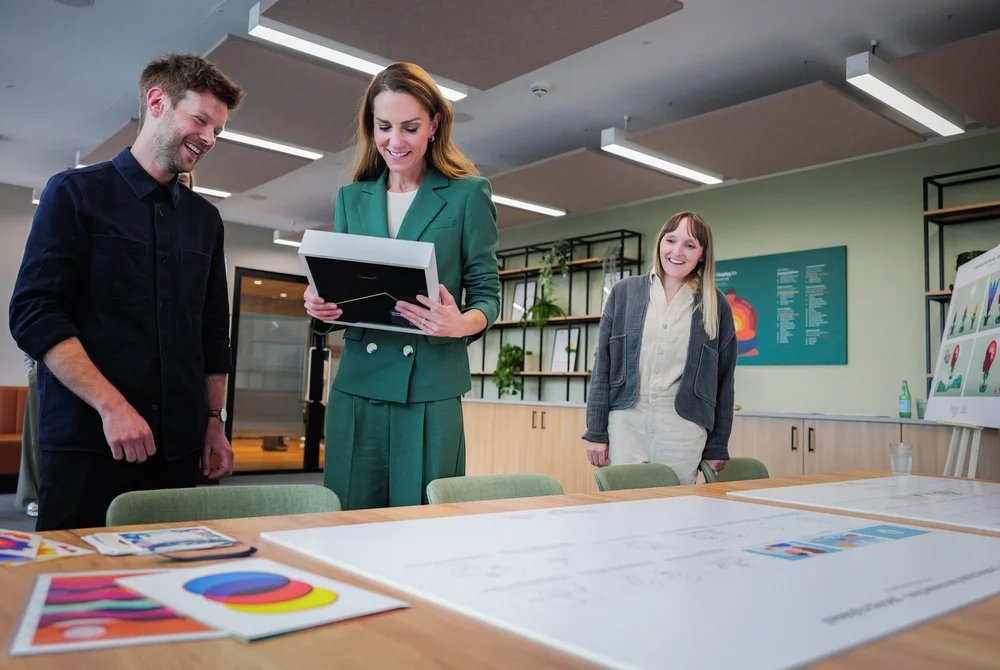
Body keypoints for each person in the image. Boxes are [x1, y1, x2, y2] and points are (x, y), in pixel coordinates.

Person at [8, 53, 245, 530]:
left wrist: (213, 420)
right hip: (89, 442)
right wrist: (112, 406)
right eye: (200, 120)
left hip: (177, 448)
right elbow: (36, 313)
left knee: (170, 587)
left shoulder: (205, 221)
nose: (209, 138)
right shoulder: (74, 194)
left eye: (218, 130)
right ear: (156, 102)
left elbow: (212, 332)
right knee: (74, 587)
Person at [304, 62, 500, 510]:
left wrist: (461, 323)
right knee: (347, 525)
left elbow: (487, 293)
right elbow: (341, 289)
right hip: (357, 385)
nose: (395, 141)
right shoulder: (352, 199)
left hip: (430, 387)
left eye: (410, 127)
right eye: (384, 127)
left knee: (422, 528)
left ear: (434, 124)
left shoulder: (468, 194)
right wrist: (320, 305)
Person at [583, 211, 737, 484]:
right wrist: (596, 431)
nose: (677, 251)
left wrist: (718, 444)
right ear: (660, 244)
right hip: (626, 423)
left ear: (702, 254)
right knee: (622, 513)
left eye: (690, 245)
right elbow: (603, 369)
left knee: (675, 514)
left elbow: (724, 382)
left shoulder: (717, 304)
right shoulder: (624, 293)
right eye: (671, 240)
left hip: (682, 428)